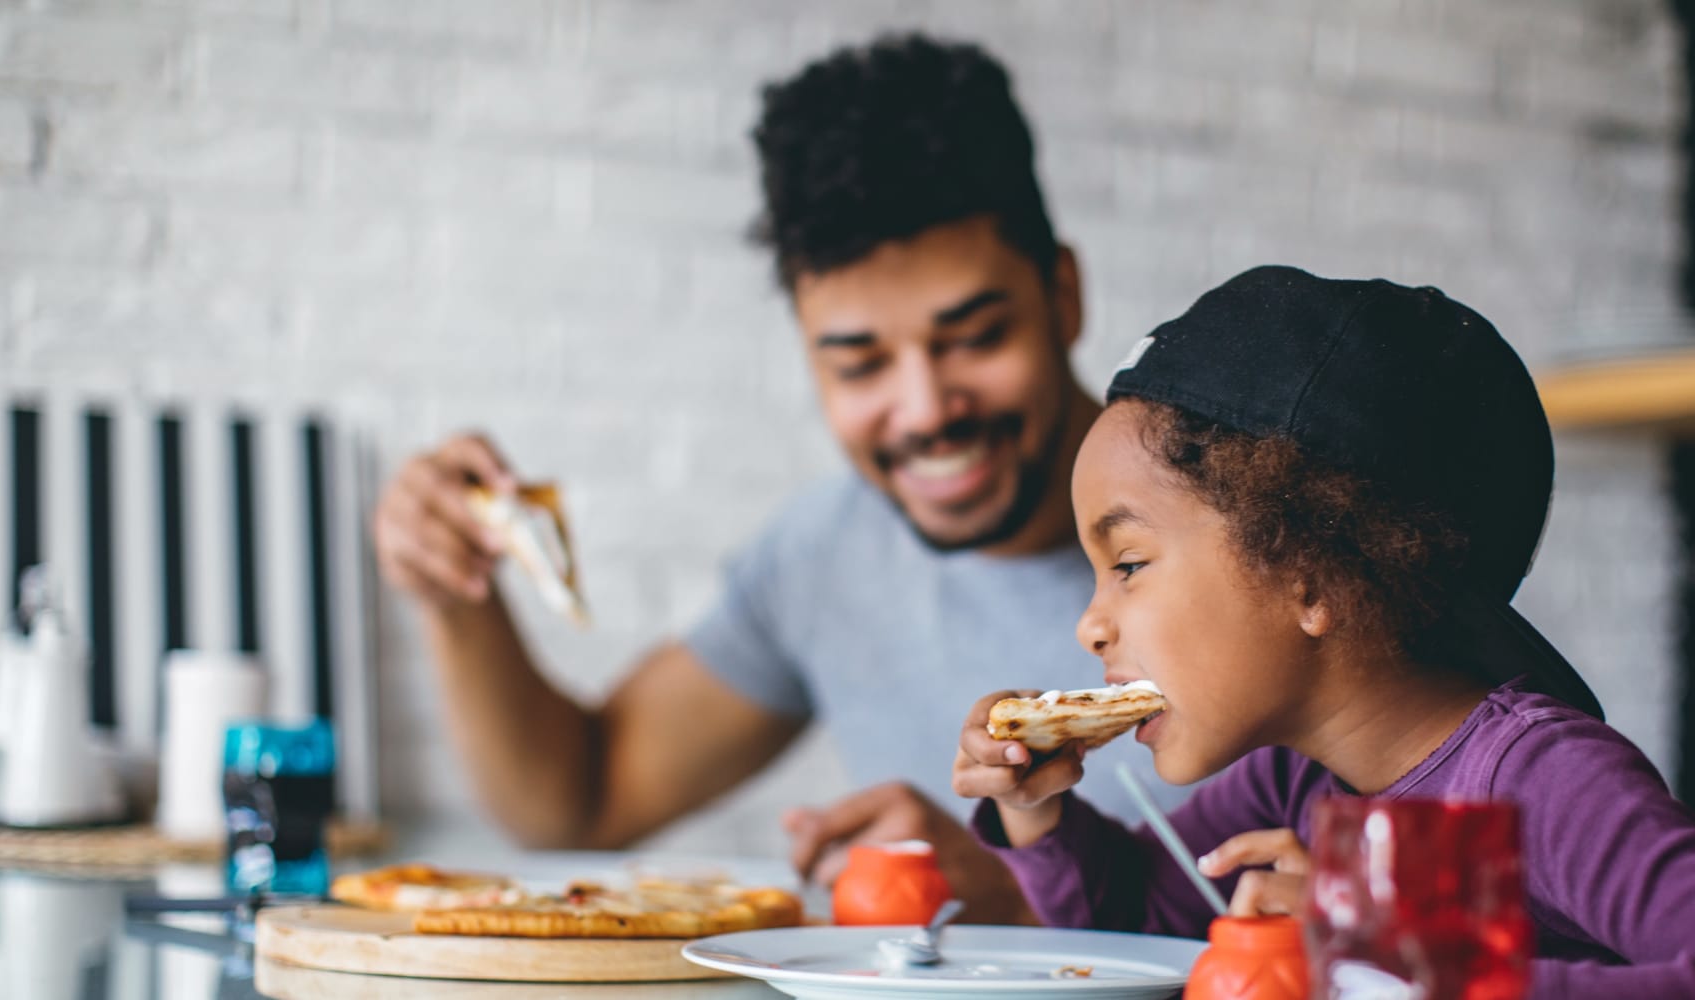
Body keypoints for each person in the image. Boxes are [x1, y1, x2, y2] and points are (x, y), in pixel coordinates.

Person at [370, 34, 1182, 922]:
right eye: (859, 364)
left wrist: (1025, 899)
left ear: (1063, 295)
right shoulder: (825, 555)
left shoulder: (1247, 531)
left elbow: (1340, 901)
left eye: (976, 338)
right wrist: (456, 596)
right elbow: (578, 801)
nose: (923, 410)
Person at [953, 266, 1695, 996]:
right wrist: (1034, 809)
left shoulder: (1534, 781)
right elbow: (1135, 916)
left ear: (1309, 569)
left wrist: (1406, 961)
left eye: (1127, 565)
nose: (1090, 624)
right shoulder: (1301, 774)